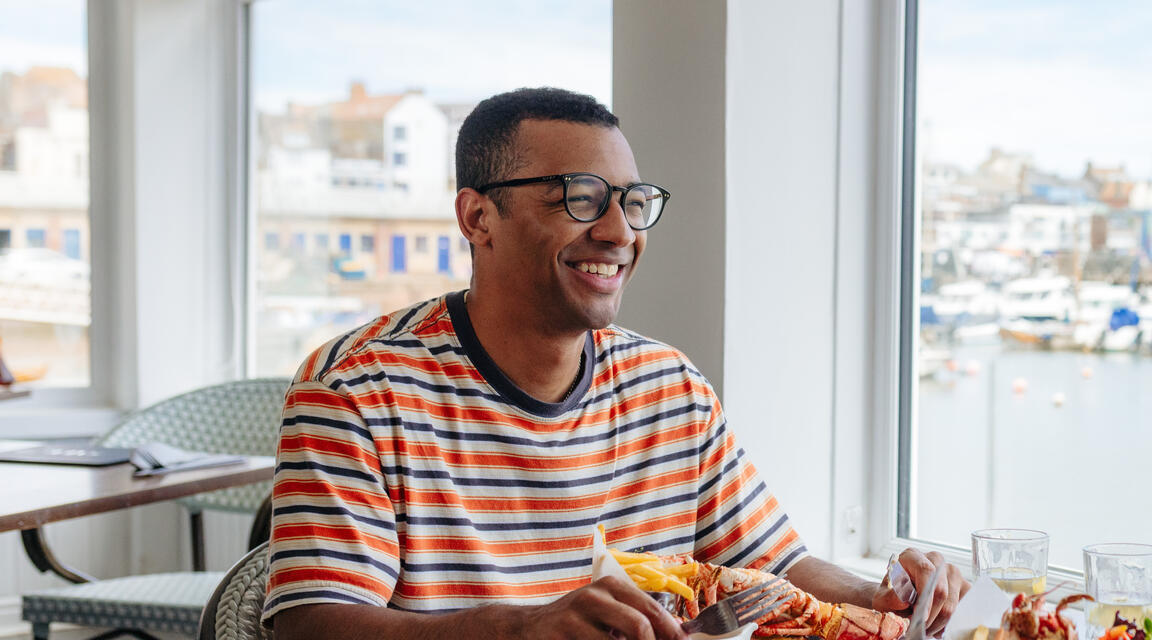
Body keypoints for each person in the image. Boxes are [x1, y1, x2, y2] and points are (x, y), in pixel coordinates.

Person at [265, 87, 968, 640]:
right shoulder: (356, 388)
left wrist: (882, 596)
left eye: (633, 202)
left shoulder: (670, 387)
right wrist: (521, 628)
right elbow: (312, 624)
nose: (619, 231)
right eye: (580, 199)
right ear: (478, 218)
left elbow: (773, 566)